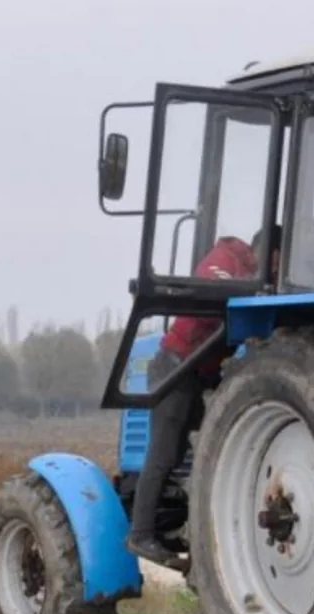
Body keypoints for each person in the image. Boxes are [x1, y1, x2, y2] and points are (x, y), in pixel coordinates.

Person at [125, 224, 282, 568]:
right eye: (276, 260)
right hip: (176, 365)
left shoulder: (257, 275)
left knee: (191, 449)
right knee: (165, 452)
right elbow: (211, 285)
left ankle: (179, 522)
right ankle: (141, 533)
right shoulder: (227, 256)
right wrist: (255, 292)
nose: (276, 268)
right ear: (265, 249)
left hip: (200, 373)